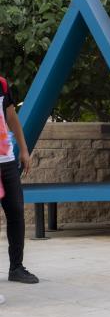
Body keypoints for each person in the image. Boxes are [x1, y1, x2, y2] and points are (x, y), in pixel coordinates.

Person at [0, 75, 39, 284]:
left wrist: (23, 149)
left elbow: (11, 116)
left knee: (16, 212)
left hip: (7, 160)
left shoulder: (2, 83)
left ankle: (16, 268)